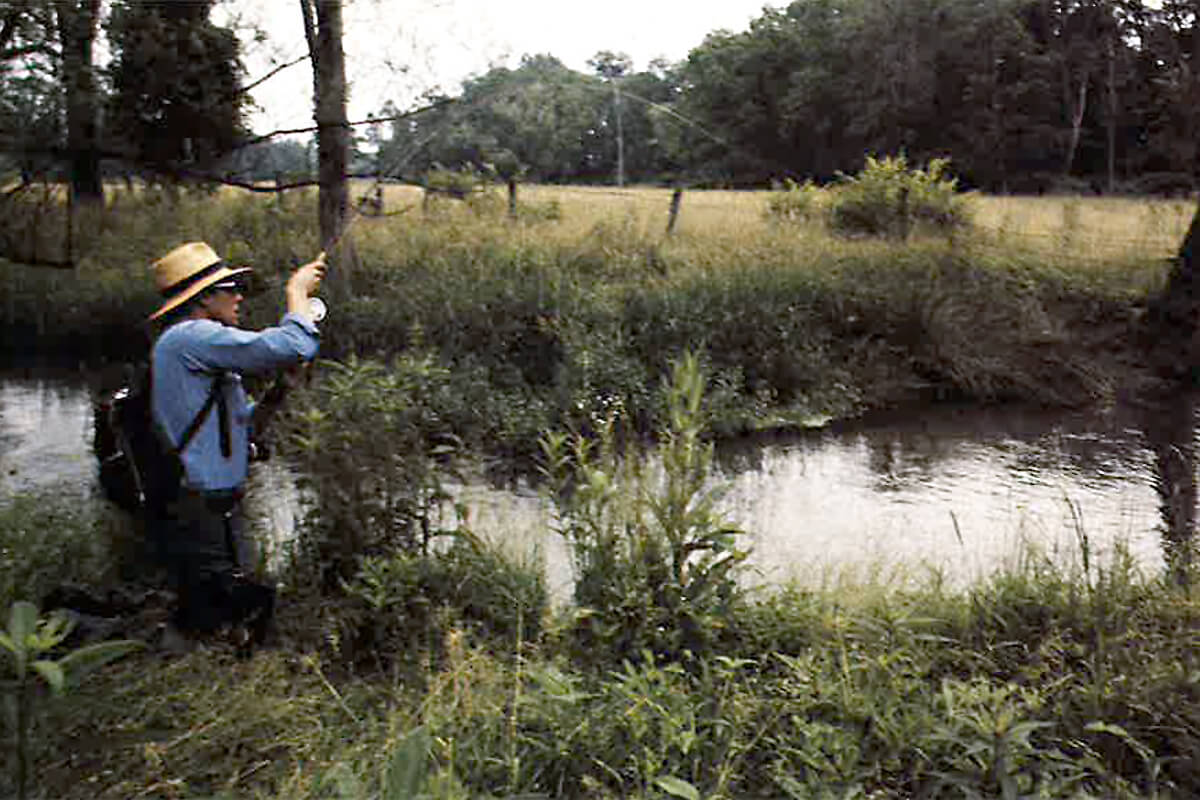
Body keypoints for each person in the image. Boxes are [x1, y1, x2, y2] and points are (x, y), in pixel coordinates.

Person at [147, 241, 325, 649]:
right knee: (224, 608)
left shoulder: (191, 346)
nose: (239, 296)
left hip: (214, 502)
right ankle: (197, 671)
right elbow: (293, 345)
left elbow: (242, 429)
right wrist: (297, 293)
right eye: (230, 288)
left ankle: (204, 661)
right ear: (204, 298)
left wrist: (279, 391)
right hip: (198, 504)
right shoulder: (192, 336)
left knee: (217, 608)